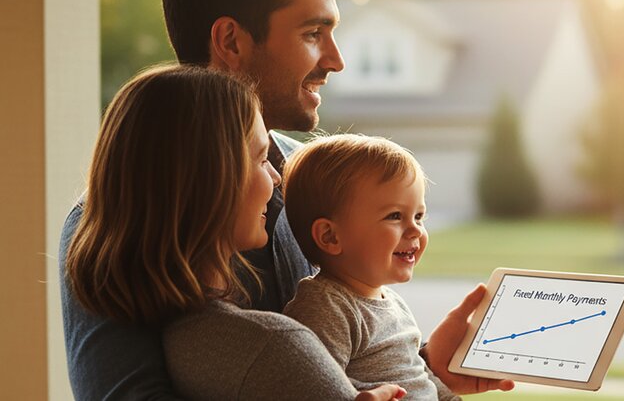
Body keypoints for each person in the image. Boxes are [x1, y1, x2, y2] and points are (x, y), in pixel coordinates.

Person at [59, 0, 514, 399]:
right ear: (232, 41)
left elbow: (329, 362)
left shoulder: (310, 173)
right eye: (313, 33)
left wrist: (422, 373)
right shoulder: (117, 216)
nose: (337, 59)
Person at [65, 66, 405, 400]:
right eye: (260, 159)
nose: (276, 177)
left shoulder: (185, 336)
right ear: (209, 181)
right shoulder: (273, 345)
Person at [282, 135, 458, 400]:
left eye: (419, 216)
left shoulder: (392, 302)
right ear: (331, 237)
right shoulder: (325, 307)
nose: (415, 230)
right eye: (395, 216)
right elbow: (312, 387)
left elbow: (418, 374)